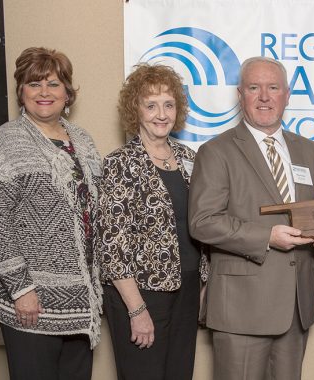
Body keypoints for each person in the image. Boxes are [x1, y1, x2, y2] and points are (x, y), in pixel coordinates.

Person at [189, 56, 314, 380]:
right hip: (241, 308)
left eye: (273, 87)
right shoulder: (217, 151)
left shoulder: (309, 151)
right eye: (255, 88)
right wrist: (266, 237)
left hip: (297, 303)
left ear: (287, 94)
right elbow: (203, 220)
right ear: (241, 94)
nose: (264, 97)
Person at [0, 47, 102, 380]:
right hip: (32, 304)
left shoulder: (83, 142)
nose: (44, 92)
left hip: (79, 303)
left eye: (54, 84)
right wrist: (22, 290)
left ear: (67, 93)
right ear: (21, 91)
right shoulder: (3, 145)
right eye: (35, 84)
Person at [96, 64, 207, 380]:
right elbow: (111, 245)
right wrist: (136, 309)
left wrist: (204, 285)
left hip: (187, 288)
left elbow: (203, 224)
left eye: (169, 104)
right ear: (136, 110)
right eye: (151, 105)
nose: (162, 114)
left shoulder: (191, 158)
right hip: (142, 293)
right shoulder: (120, 163)